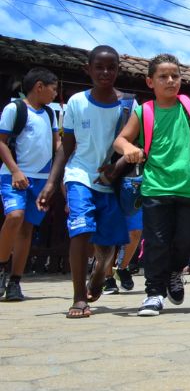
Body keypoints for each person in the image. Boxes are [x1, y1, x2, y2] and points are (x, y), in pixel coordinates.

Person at [113, 53, 190, 317]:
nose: (170, 81)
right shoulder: (143, 111)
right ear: (150, 82)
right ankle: (154, 294)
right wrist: (129, 148)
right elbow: (120, 141)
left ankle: (173, 272)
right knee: (157, 242)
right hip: (156, 188)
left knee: (189, 239)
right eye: (163, 77)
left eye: (175, 76)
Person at [37, 46, 132, 318]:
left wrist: (117, 167)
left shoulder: (128, 106)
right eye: (99, 67)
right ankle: (79, 298)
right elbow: (66, 147)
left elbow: (133, 146)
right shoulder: (77, 102)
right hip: (80, 176)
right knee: (80, 231)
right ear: (87, 70)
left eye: (111, 67)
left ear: (117, 70)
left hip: (112, 183)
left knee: (109, 245)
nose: (105, 72)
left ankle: (101, 272)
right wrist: (52, 183)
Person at [0, 67, 59, 301]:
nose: (55, 94)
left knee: (26, 229)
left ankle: (15, 281)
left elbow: (57, 145)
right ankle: (1, 267)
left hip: (41, 179)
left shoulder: (50, 114)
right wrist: (15, 171)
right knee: (14, 217)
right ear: (39, 87)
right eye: (53, 89)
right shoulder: (15, 109)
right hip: (14, 176)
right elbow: (1, 142)